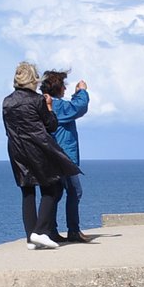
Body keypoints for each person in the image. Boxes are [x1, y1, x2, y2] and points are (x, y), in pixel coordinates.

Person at [1, 61, 81, 250]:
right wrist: (50, 107)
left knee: (27, 191)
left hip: (16, 149)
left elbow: (8, 129)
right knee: (52, 188)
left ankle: (31, 237)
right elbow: (51, 125)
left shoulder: (7, 101)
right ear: (32, 80)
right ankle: (40, 231)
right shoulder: (37, 100)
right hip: (38, 149)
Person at [41, 70, 91, 242]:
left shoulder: (49, 104)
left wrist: (77, 94)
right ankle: (73, 231)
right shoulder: (58, 106)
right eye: (63, 85)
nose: (65, 88)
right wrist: (82, 91)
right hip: (63, 158)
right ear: (58, 87)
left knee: (56, 193)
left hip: (52, 157)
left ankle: (51, 230)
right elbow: (77, 108)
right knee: (74, 191)